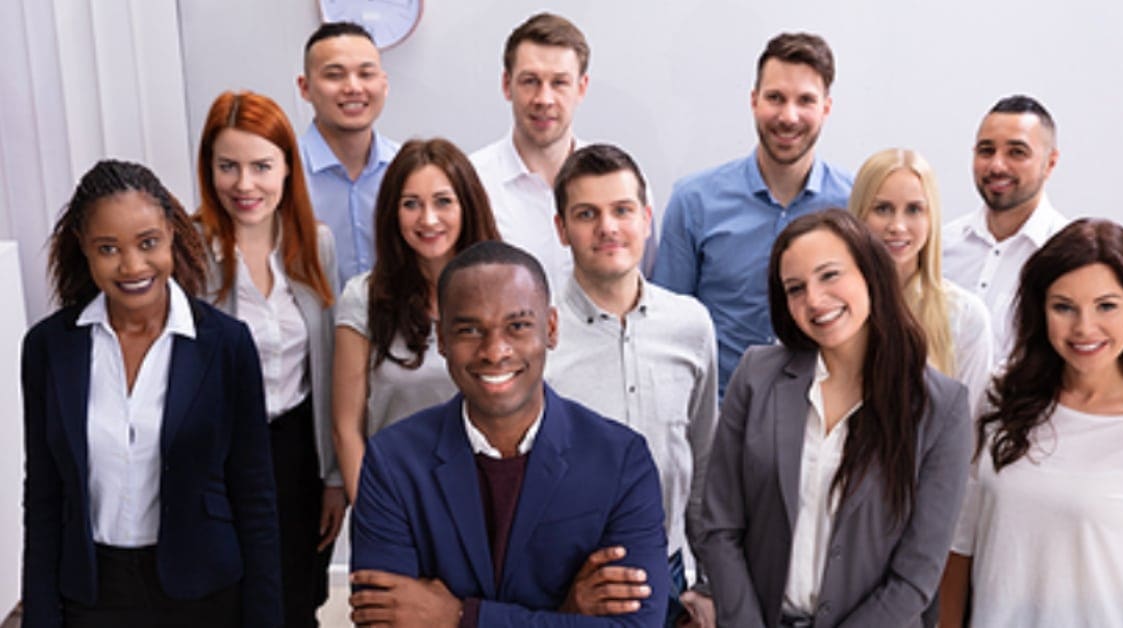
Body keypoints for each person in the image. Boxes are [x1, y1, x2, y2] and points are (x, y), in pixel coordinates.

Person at [350, 241, 669, 626]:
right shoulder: (393, 461)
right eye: (470, 329)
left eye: (517, 327)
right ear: (444, 340)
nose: (495, 351)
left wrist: (460, 617)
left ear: (550, 329)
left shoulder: (620, 459)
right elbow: (386, 622)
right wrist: (563, 615)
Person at [22, 159, 282, 627]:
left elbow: (256, 495)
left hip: (204, 596)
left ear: (172, 235)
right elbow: (43, 495)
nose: (132, 266)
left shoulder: (226, 345)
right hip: (92, 596)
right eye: (108, 248)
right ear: (84, 248)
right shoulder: (49, 348)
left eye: (148, 243)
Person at [697, 210, 971, 627]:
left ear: (869, 273)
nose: (815, 300)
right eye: (795, 288)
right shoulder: (756, 375)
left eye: (829, 276)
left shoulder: (941, 407)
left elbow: (917, 574)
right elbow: (719, 524)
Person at [940, 218, 1123, 627]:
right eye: (1064, 307)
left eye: (1106, 306)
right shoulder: (1001, 394)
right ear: (1041, 311)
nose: (1084, 327)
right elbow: (961, 538)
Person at [544, 144, 719, 626]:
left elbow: (702, 461)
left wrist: (705, 582)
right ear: (562, 229)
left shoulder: (691, 324)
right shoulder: (538, 332)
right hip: (567, 582)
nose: (608, 228)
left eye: (622, 210)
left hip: (669, 576)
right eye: (586, 214)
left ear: (645, 218)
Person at [194, 90, 343, 628]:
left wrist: (332, 477)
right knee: (235, 604)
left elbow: (327, 371)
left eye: (261, 166)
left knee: (296, 598)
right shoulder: (190, 250)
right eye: (227, 166)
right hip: (222, 458)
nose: (244, 184)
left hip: (296, 452)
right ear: (209, 169)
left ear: (287, 168)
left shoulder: (315, 245)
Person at [652, 32, 853, 396]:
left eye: (805, 100)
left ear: (826, 107)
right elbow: (665, 328)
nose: (788, 116)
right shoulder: (693, 201)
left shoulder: (855, 206)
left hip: (821, 419)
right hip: (716, 417)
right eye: (775, 98)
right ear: (754, 100)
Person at [332, 137, 500, 502]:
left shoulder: (504, 290)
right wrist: (374, 516)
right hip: (396, 498)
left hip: (490, 498)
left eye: (443, 202)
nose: (428, 219)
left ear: (467, 206)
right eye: (411, 204)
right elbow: (346, 429)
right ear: (393, 213)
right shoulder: (363, 297)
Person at [470, 13, 659, 293]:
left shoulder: (623, 180)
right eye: (530, 81)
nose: (544, 99)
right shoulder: (473, 183)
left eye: (559, 83)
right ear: (506, 85)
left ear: (581, 88)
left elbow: (644, 281)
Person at [848, 148, 993, 417]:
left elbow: (967, 430)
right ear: (859, 214)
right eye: (882, 209)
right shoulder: (833, 306)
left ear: (931, 218)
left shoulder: (965, 316)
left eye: (914, 209)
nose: (898, 226)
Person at [942, 95, 1067, 360]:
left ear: (1050, 163)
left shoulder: (1067, 255)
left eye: (1017, 152)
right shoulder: (942, 247)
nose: (997, 165)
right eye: (986, 150)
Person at [297, 21, 398, 287]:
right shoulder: (281, 173)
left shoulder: (406, 169)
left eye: (366, 74)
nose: (353, 87)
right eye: (334, 75)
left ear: (384, 84)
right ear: (304, 87)